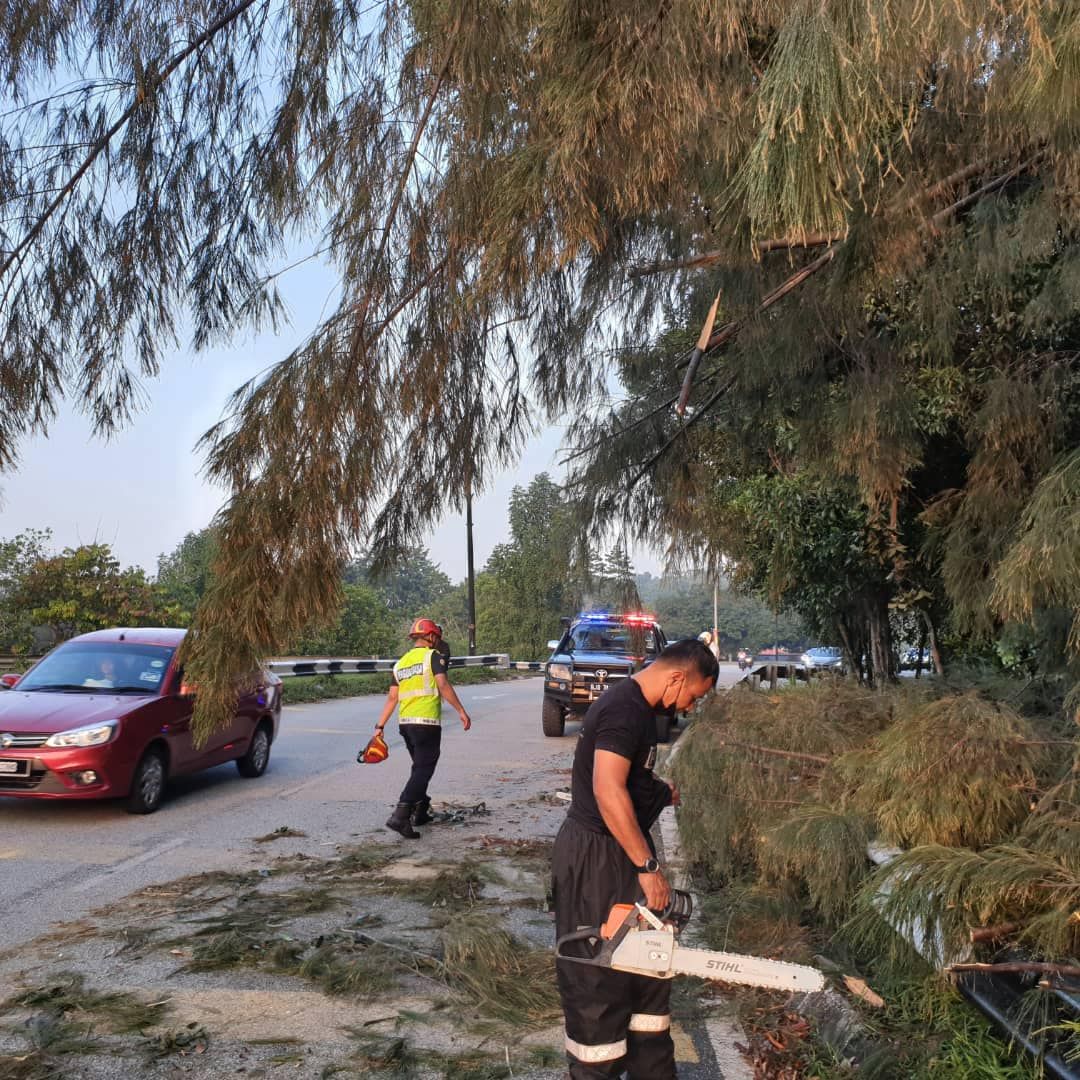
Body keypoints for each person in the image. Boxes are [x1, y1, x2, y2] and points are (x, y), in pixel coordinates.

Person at [552, 638, 719, 1079]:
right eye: (692, 696)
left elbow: (631, 780)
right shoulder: (624, 710)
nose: (688, 706)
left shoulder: (642, 712)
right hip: (596, 859)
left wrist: (662, 793)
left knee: (647, 969)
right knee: (599, 980)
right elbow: (608, 791)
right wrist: (648, 868)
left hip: (621, 850)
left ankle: (652, 1071)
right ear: (677, 677)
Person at [374, 617, 473, 839]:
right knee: (423, 769)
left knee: (419, 767)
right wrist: (461, 710)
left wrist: (379, 726)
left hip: (405, 724)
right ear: (430, 637)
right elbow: (442, 684)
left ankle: (420, 809)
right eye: (436, 637)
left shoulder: (401, 663)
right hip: (426, 723)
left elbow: (392, 698)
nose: (437, 641)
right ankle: (400, 815)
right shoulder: (433, 656)